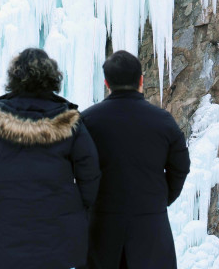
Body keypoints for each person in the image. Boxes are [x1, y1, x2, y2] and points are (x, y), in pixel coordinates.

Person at [0, 48, 100, 269]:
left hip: (2, 226)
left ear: (14, 78)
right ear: (52, 78)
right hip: (58, 229)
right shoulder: (70, 122)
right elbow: (90, 171)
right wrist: (79, 206)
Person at [81, 51, 189, 269]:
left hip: (101, 229)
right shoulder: (163, 121)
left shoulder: (87, 120)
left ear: (106, 83)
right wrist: (160, 199)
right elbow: (181, 167)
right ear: (141, 80)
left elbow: (74, 169)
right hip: (151, 229)